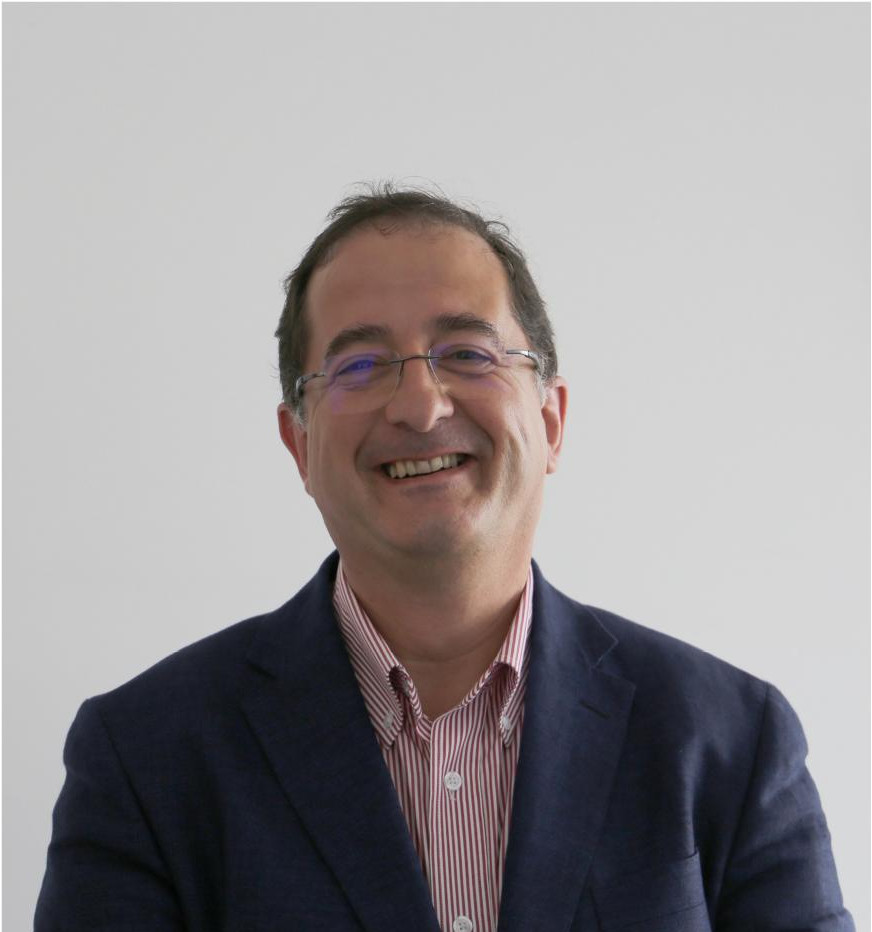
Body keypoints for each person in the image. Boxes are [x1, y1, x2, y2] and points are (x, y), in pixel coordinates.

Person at [35, 184, 853, 931]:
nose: (421, 406)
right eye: (360, 365)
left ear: (552, 421)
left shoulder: (729, 741)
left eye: (467, 353)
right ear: (299, 444)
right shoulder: (146, 757)